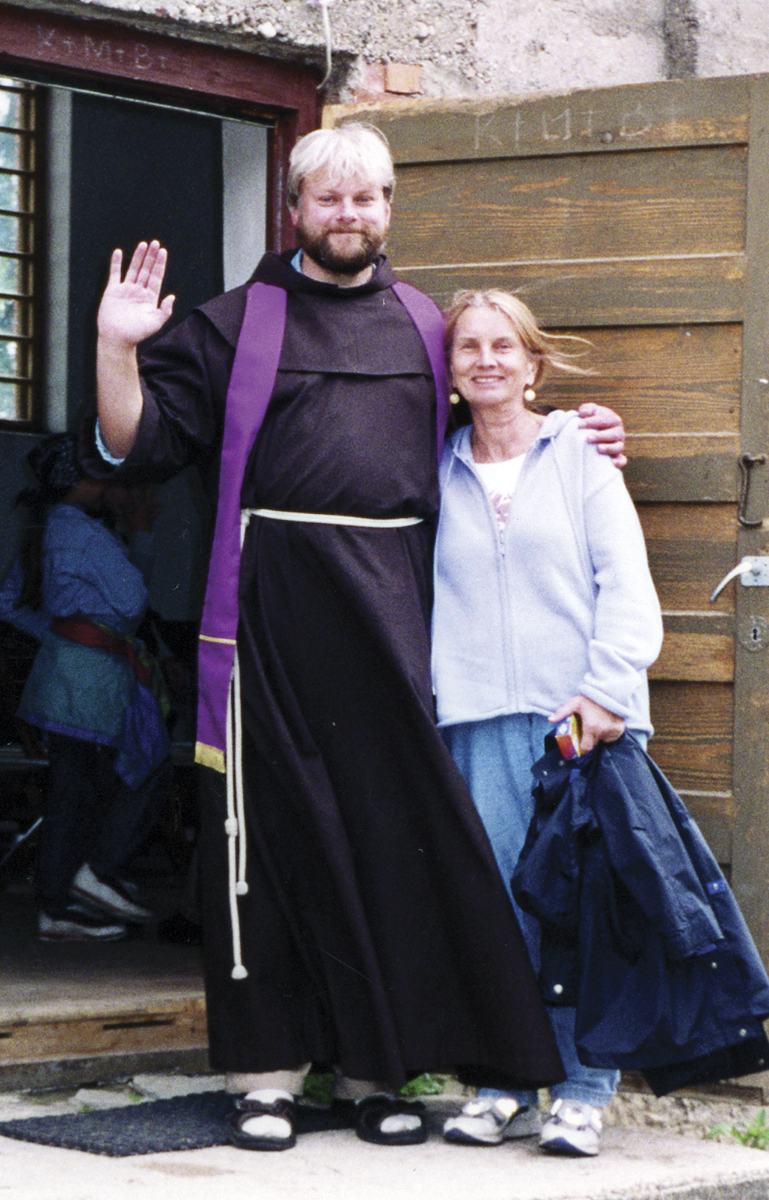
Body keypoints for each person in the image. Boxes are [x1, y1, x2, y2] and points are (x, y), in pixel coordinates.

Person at [85, 123, 627, 1150]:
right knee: (269, 849)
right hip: (265, 626)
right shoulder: (233, 324)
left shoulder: (426, 324)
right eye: (328, 199)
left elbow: (493, 430)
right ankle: (267, 1080)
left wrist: (571, 434)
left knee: (386, 851)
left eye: (367, 197)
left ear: (389, 206)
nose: (349, 215)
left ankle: (380, 1071)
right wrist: (117, 348)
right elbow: (135, 447)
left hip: (395, 626)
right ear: (293, 210)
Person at [432, 290, 663, 1156]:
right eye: (467, 349)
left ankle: (581, 1091)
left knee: (586, 908)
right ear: (448, 372)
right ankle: (501, 1080)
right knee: (498, 907)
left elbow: (628, 587)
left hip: (580, 721)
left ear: (533, 365)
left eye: (503, 347)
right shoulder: (433, 470)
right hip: (477, 723)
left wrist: (605, 694)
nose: (485, 361)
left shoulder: (580, 459)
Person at [0, 433, 172, 941]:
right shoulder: (84, 532)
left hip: (72, 673)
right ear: (81, 481)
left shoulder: (53, 527)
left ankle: (62, 902)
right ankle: (85, 880)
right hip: (87, 681)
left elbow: (12, 602)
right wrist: (141, 534)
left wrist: (66, 635)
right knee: (114, 782)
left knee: (76, 793)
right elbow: (133, 601)